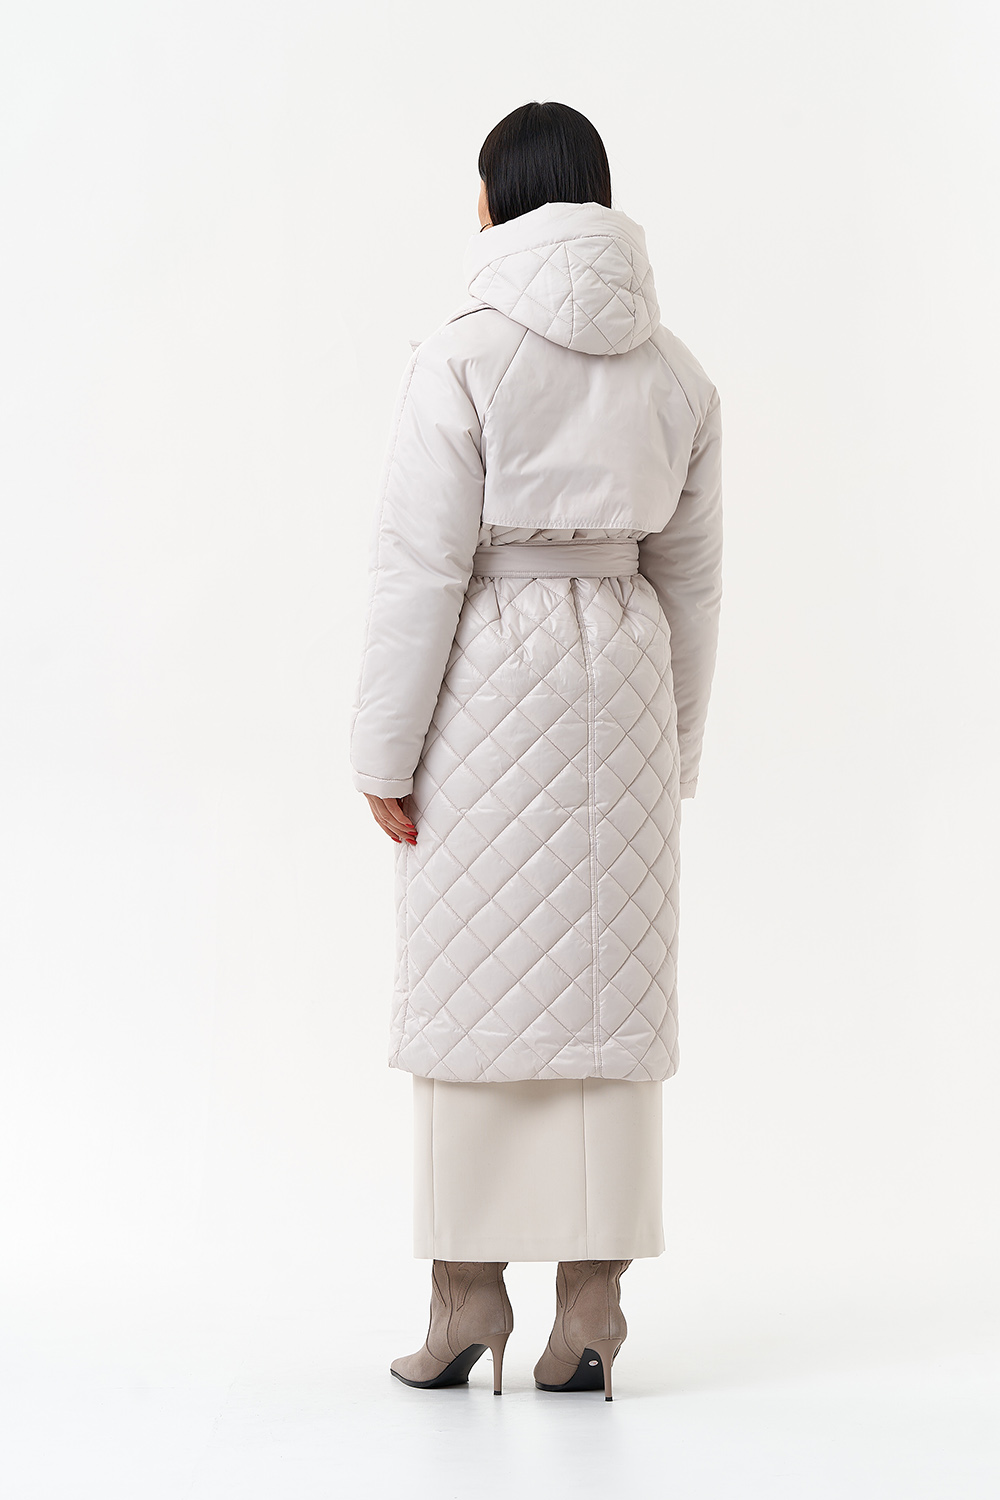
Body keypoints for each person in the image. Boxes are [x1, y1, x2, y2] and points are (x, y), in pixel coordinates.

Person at [349, 101, 723, 1401]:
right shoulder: (677, 371)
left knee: (475, 990)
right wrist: (673, 757)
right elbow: (694, 583)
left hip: (486, 685)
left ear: (497, 201)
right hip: (624, 680)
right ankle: (592, 1316)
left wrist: (383, 753)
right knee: (607, 1013)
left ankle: (464, 1304)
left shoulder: (461, 355)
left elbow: (418, 567)